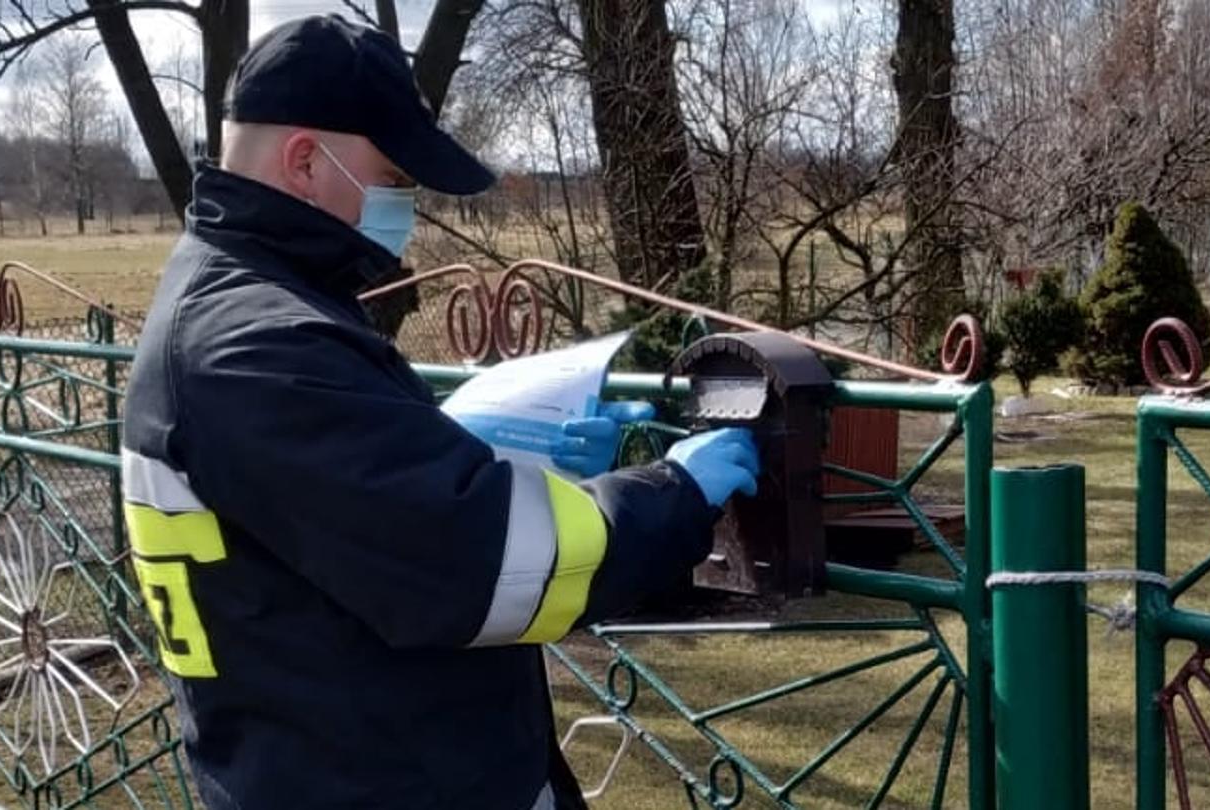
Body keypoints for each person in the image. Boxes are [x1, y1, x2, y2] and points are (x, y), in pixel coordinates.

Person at [120, 15, 761, 810]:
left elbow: (341, 517)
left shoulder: (235, 299)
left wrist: (468, 448)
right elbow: (473, 560)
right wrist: (674, 495)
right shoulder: (259, 346)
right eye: (393, 178)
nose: (405, 207)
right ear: (305, 161)